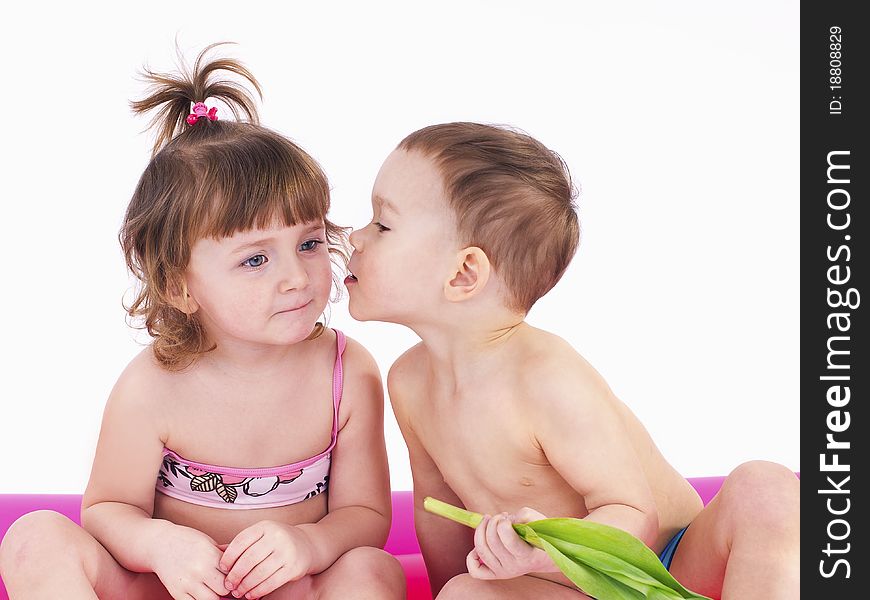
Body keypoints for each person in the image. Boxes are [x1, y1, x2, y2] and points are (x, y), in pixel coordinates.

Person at [0, 44, 404, 600]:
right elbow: (108, 509)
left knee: (371, 571)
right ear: (179, 286)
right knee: (32, 536)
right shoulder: (153, 386)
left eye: (309, 243)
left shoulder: (346, 373)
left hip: (286, 589)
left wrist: (308, 545)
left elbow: (364, 515)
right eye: (255, 259)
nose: (297, 277)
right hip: (171, 588)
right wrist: (162, 545)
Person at [345, 122, 799, 599]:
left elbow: (631, 512)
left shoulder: (546, 378)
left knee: (764, 486)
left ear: (463, 273)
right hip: (567, 590)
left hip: (670, 568)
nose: (355, 236)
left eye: (382, 224)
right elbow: (436, 508)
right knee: (465, 594)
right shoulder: (408, 382)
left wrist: (550, 554)